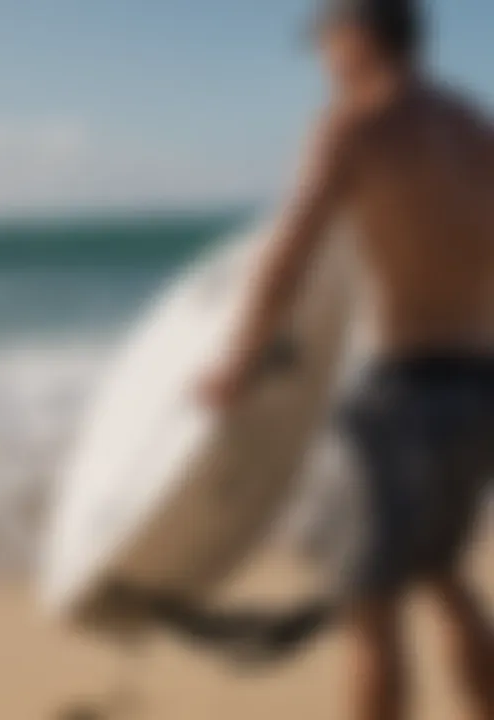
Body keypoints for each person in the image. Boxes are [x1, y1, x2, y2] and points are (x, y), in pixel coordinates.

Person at [195, 1, 494, 718]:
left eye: (327, 42)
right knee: (445, 574)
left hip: (404, 392)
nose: (325, 62)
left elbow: (290, 255)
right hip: (478, 383)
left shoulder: (355, 125)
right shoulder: (471, 126)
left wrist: (239, 360)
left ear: (357, 37)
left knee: (369, 604)